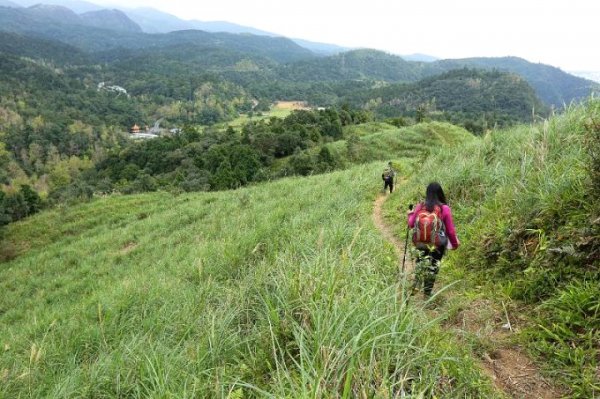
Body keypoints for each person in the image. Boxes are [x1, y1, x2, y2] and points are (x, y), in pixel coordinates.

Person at [407, 182, 459, 297]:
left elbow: (411, 224)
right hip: (437, 245)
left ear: (427, 193)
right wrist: (454, 244)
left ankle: (415, 288)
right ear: (440, 193)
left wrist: (409, 214)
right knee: (433, 266)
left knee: (420, 263)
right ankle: (427, 293)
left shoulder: (420, 206)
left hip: (420, 243)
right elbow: (450, 231)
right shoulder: (444, 208)